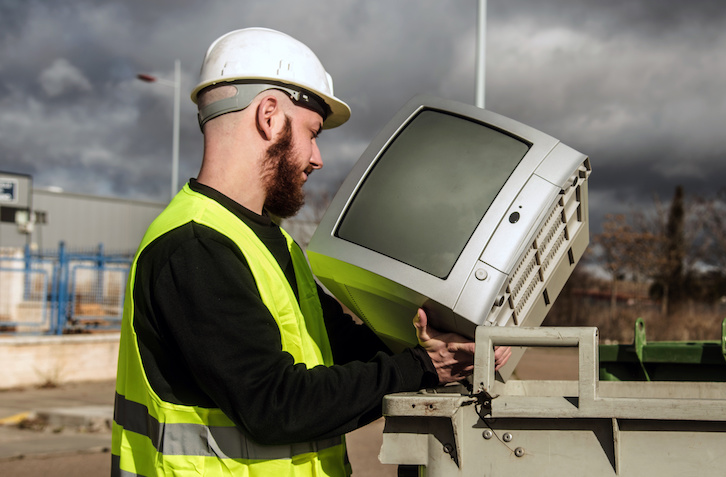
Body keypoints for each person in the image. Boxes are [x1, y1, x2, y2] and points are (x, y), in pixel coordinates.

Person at [111, 27, 510, 477]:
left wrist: (434, 344)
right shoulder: (195, 247)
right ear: (268, 115)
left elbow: (336, 347)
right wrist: (422, 368)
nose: (317, 157)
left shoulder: (269, 243)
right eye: (312, 132)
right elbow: (276, 404)